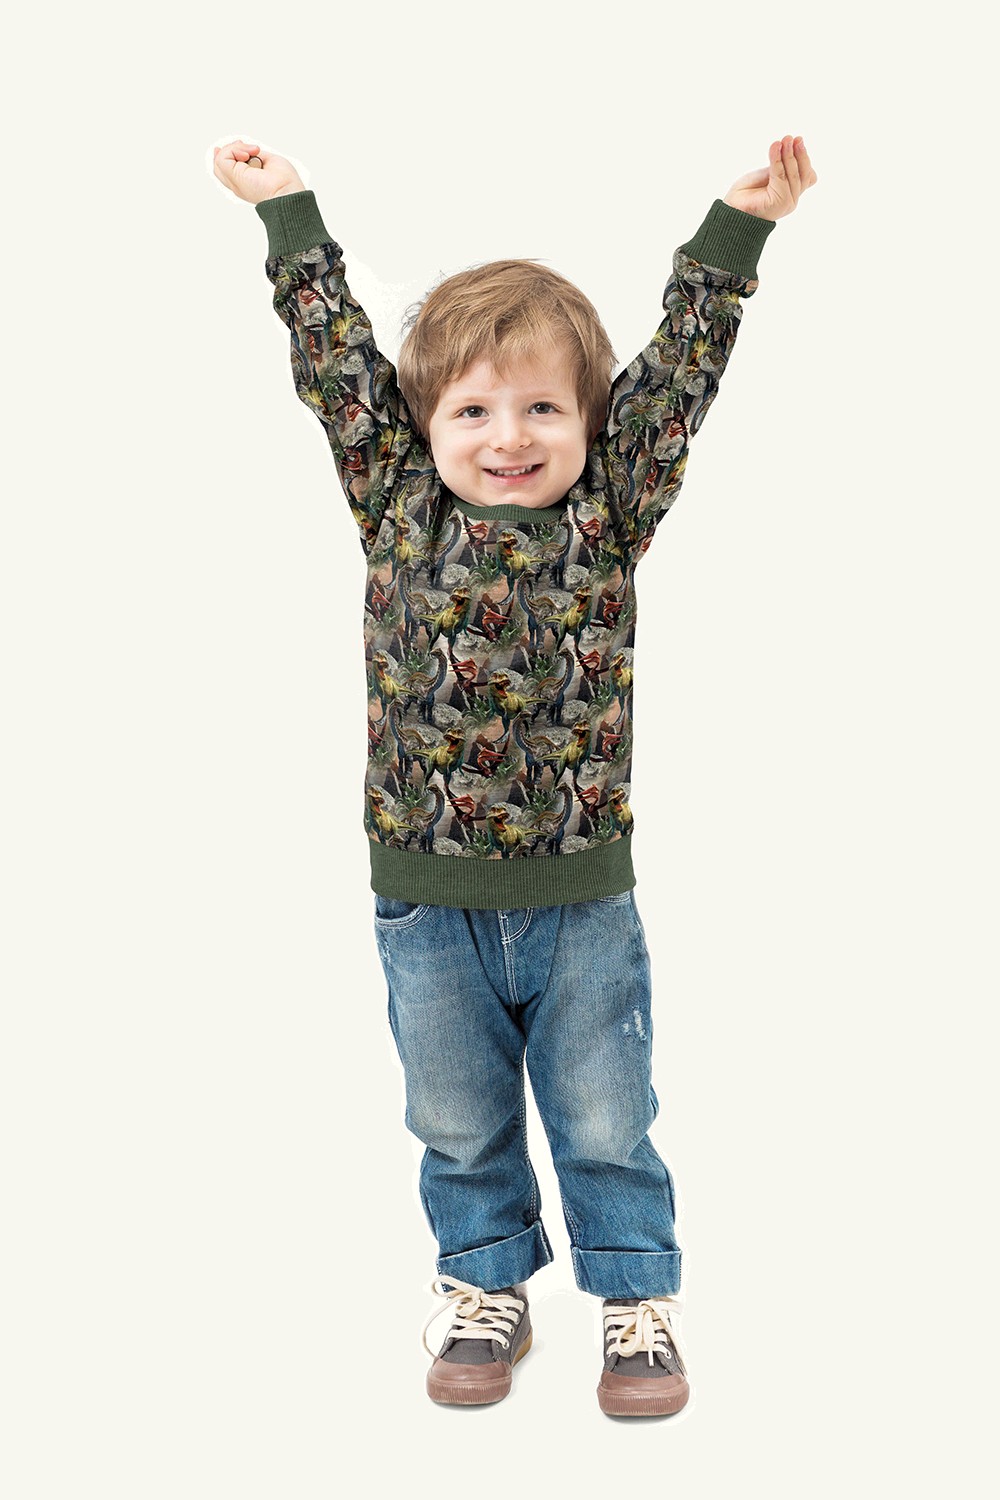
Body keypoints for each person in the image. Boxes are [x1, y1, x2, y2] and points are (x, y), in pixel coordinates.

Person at [212, 134, 817, 1417]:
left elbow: (680, 374)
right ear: (423, 427)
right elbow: (335, 367)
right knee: (456, 1122)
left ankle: (636, 1303)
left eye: (544, 408)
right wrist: (288, 215)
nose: (509, 437)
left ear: (591, 426)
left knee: (606, 1117)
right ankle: (484, 1286)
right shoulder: (396, 507)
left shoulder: (609, 512)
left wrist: (737, 229)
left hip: (581, 900)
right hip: (425, 903)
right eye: (474, 411)